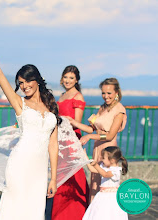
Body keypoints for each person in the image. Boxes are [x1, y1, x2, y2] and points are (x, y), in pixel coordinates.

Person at [0, 29, 59, 220]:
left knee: (34, 212)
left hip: (40, 170)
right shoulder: (20, 103)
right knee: (15, 210)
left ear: (37, 80)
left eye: (27, 81)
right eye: (20, 83)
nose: (24, 86)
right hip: (19, 164)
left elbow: (53, 144)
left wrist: (53, 178)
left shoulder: (51, 105)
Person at [68, 78, 127, 202]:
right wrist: (74, 122)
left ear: (117, 92)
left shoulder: (119, 111)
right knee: (94, 182)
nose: (105, 96)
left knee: (104, 183)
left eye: (109, 93)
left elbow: (110, 135)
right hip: (97, 148)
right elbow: (92, 129)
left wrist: (89, 137)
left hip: (108, 150)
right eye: (103, 93)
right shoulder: (103, 107)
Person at [50, 66, 89, 219]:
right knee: (61, 178)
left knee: (73, 178)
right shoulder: (62, 95)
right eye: (65, 77)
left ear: (76, 80)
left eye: (71, 78)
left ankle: (75, 214)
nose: (68, 80)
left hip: (71, 141)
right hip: (60, 140)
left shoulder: (78, 97)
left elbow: (76, 122)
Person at [82, 146, 128, 220]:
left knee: (110, 214)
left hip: (112, 198)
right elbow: (92, 169)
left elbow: (105, 174)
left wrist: (95, 164)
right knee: (99, 214)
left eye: (103, 158)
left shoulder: (116, 171)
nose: (102, 160)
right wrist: (86, 158)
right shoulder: (105, 167)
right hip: (102, 195)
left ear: (112, 160)